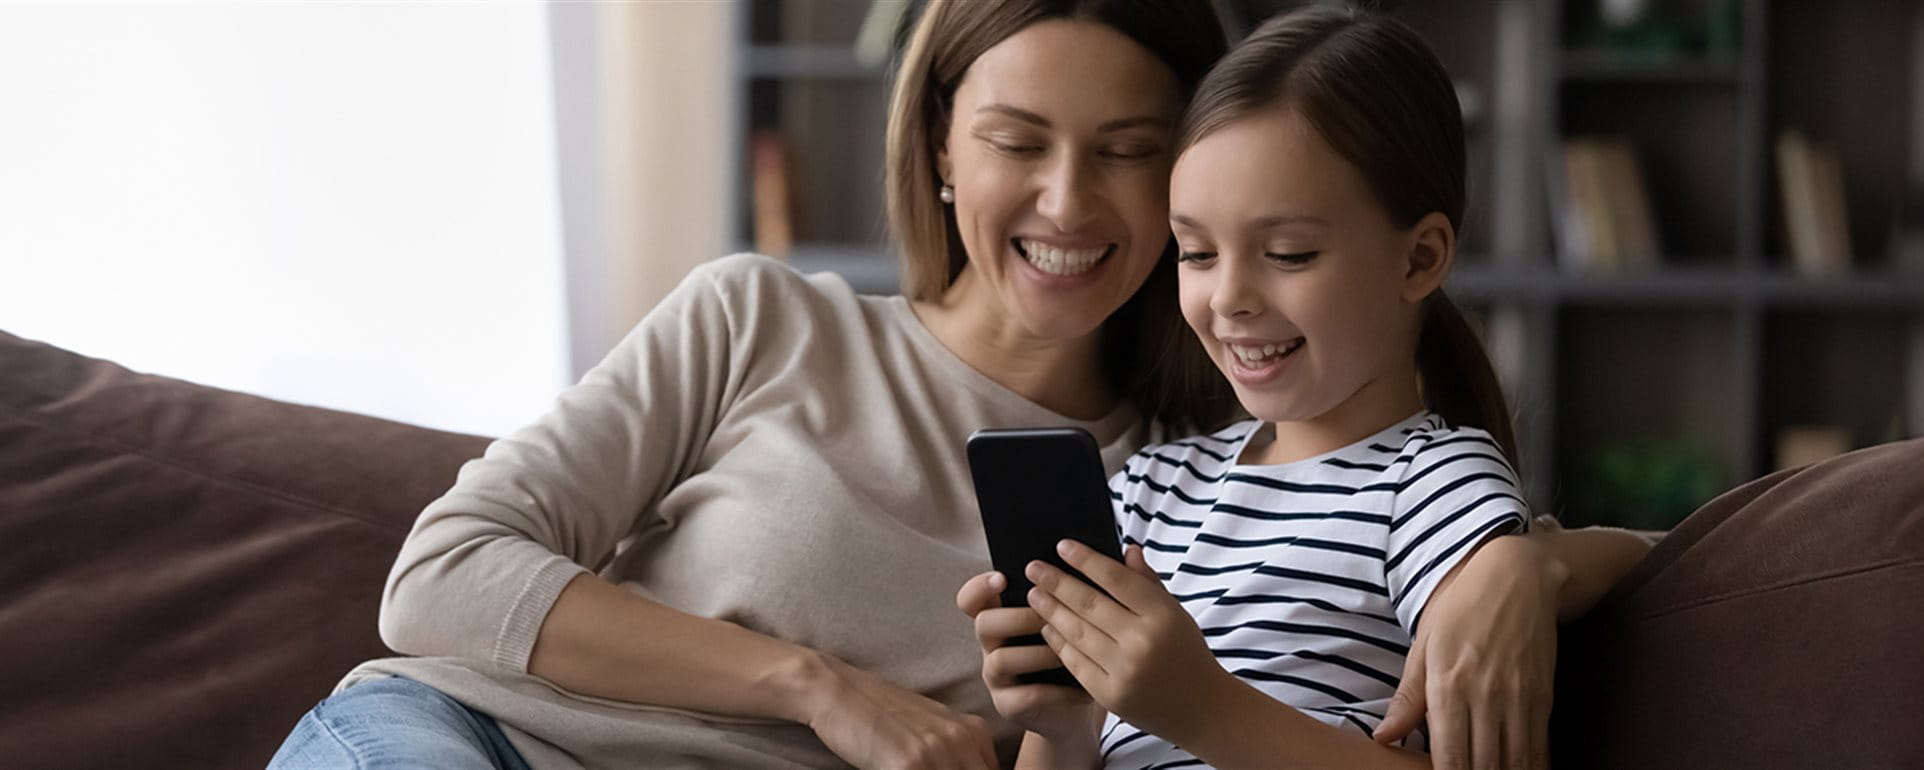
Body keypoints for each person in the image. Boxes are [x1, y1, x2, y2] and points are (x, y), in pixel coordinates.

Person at [270, 2, 1645, 769]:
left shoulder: (1163, 480)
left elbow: (1517, 527)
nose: (1067, 200)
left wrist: (1518, 564)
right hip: (464, 740)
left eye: (1126, 151)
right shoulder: (760, 318)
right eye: (1015, 140)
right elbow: (439, 576)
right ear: (940, 146)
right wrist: (817, 686)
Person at [957, 7, 1655, 770]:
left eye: (1288, 254)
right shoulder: (1149, 491)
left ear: (1420, 259)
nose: (1229, 299)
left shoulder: (1432, 486)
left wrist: (1202, 708)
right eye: (1196, 253)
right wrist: (1062, 728)